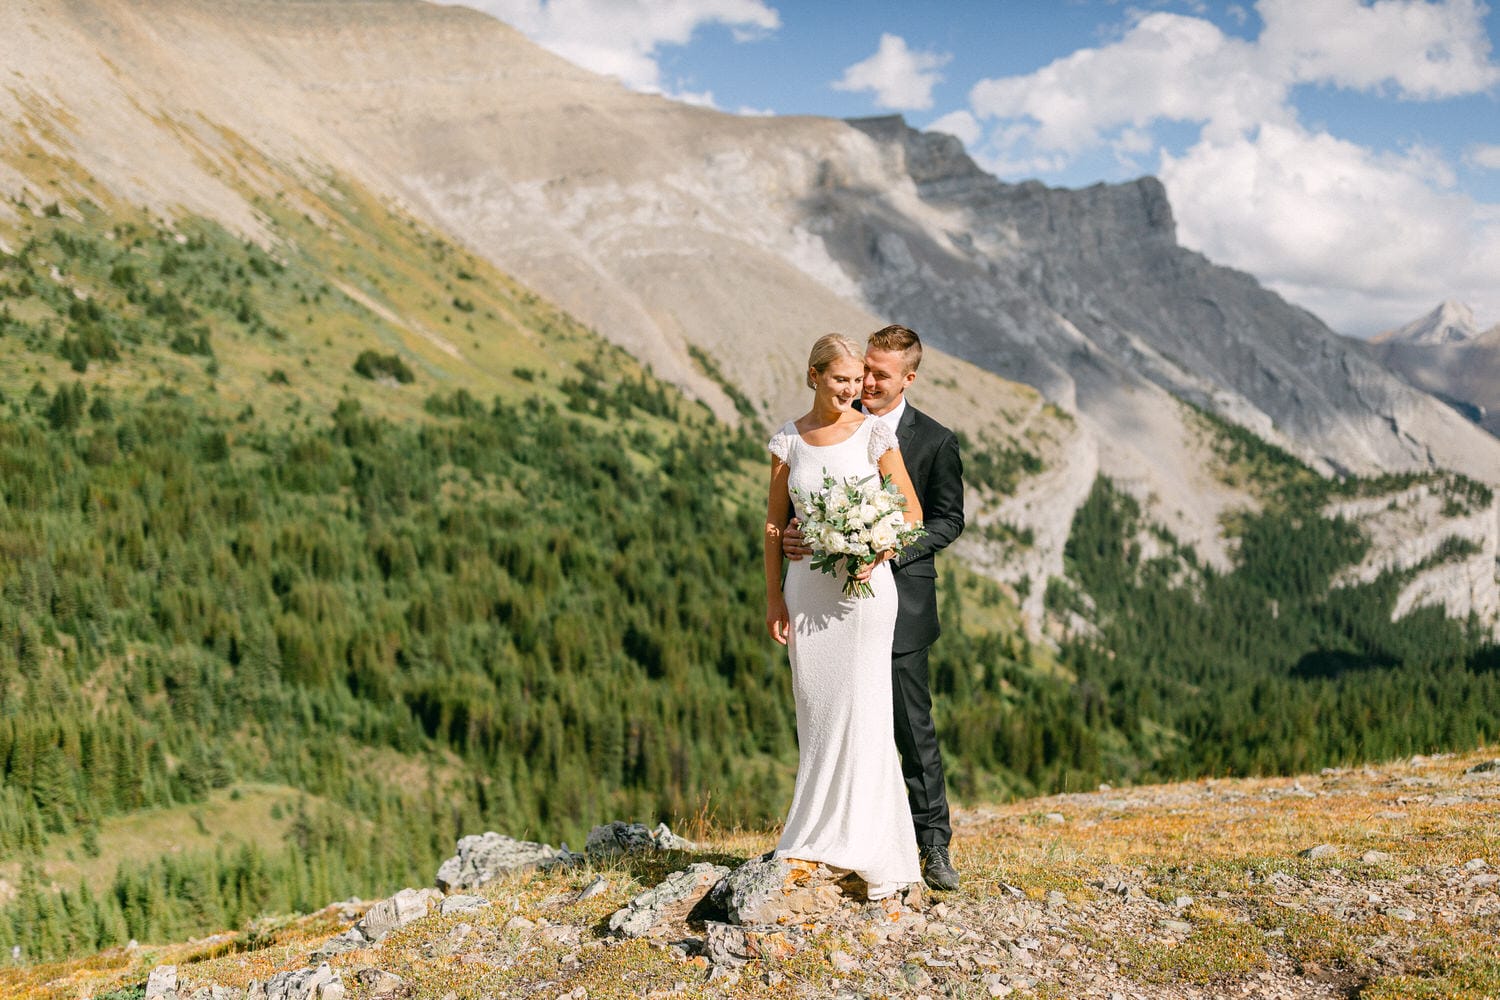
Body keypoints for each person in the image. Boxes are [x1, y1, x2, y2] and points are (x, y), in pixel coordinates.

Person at [783, 325, 965, 891]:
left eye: (880, 375)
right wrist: (796, 534)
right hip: (831, 602)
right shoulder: (837, 421)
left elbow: (946, 519)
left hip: (900, 601)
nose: (868, 383)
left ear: (908, 378)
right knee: (840, 717)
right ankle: (841, 831)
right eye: (865, 372)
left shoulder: (934, 439)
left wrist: (881, 542)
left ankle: (932, 847)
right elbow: (803, 494)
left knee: (911, 728)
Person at [764, 333, 925, 900]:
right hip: (807, 592)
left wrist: (877, 546)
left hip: (865, 594)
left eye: (858, 381)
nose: (853, 391)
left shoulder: (875, 433)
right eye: (841, 381)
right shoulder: (790, 440)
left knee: (864, 711)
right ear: (814, 377)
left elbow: (910, 509)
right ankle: (815, 834)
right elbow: (773, 524)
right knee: (817, 709)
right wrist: (774, 597)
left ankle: (868, 844)